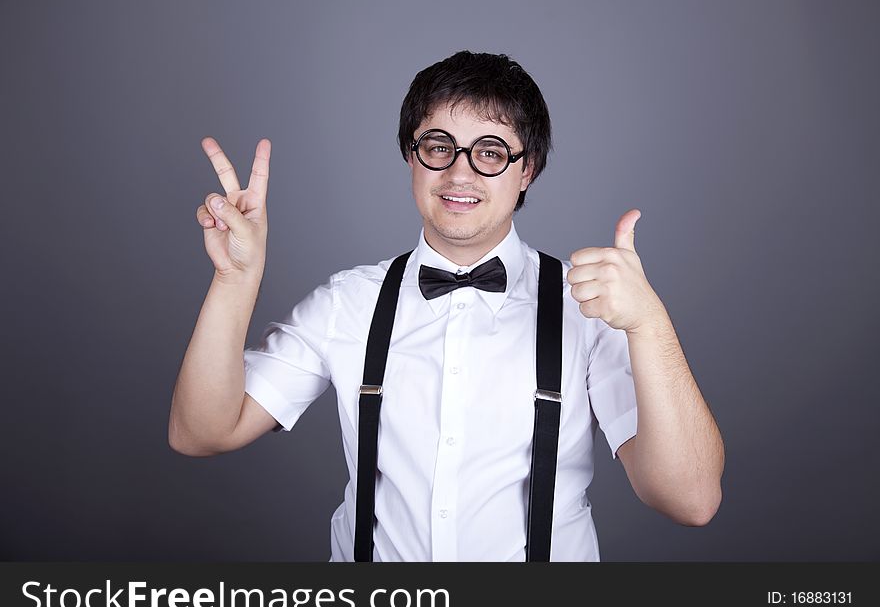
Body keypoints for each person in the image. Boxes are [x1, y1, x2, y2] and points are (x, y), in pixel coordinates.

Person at [169, 51, 725, 562]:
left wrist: (651, 324)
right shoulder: (348, 303)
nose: (460, 174)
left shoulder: (586, 307)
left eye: (490, 152)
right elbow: (202, 433)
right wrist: (234, 278)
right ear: (411, 155)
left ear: (526, 170)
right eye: (439, 146)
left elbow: (691, 500)